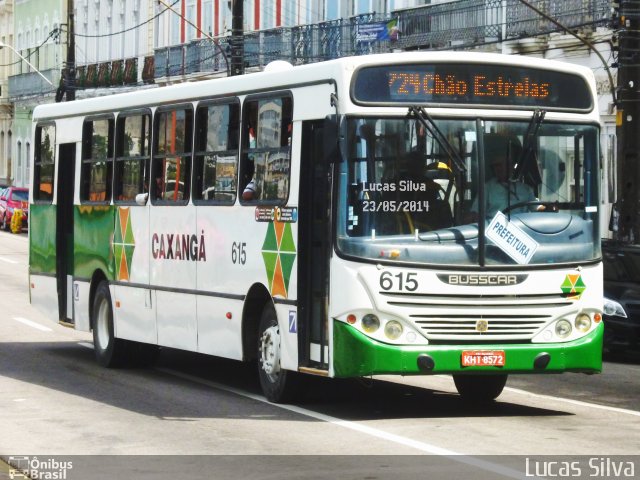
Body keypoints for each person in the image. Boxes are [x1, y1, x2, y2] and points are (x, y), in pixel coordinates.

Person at [470, 135, 537, 220]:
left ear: (511, 165)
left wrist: (549, 208)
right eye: (495, 166)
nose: (498, 169)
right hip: (494, 229)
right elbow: (475, 212)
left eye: (501, 165)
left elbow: (536, 208)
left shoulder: (526, 189)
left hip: (521, 228)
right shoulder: (487, 188)